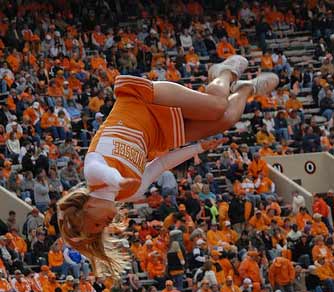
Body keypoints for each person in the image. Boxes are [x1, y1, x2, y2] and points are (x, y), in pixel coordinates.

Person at [57, 59, 279, 277]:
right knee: (225, 119)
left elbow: (104, 172)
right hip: (157, 134)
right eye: (102, 228)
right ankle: (246, 88)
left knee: (217, 106)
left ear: (86, 207)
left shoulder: (93, 172)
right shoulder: (132, 192)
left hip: (143, 100)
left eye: (96, 223)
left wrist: (117, 182)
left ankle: (226, 72)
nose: (106, 224)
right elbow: (162, 164)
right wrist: (199, 147)